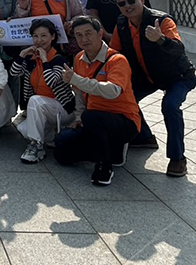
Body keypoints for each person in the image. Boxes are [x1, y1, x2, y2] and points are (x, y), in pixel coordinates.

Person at [109, 0, 196, 177]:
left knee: (170, 106)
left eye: (131, 1)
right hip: (148, 76)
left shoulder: (162, 20)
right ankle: (144, 137)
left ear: (141, 0)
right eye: (122, 3)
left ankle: (178, 158)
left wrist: (160, 39)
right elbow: (115, 53)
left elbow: (178, 48)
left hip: (178, 76)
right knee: (124, 97)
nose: (127, 6)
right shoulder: (122, 24)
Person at [54, 16, 141, 186]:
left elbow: (113, 91)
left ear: (100, 33)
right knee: (61, 148)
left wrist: (76, 79)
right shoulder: (79, 58)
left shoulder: (117, 60)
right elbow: (79, 93)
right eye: (79, 35)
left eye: (88, 33)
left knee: (91, 116)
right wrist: (78, 118)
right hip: (93, 121)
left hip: (123, 120)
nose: (84, 39)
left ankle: (104, 165)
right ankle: (110, 150)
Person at [9, 18, 74, 163]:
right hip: (42, 108)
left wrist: (45, 60)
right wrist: (22, 55)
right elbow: (14, 72)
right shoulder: (32, 59)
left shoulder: (59, 59)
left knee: (35, 101)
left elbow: (51, 81)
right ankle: (49, 136)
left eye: (44, 36)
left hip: (63, 108)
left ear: (53, 36)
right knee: (23, 129)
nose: (39, 40)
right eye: (35, 36)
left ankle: (37, 146)